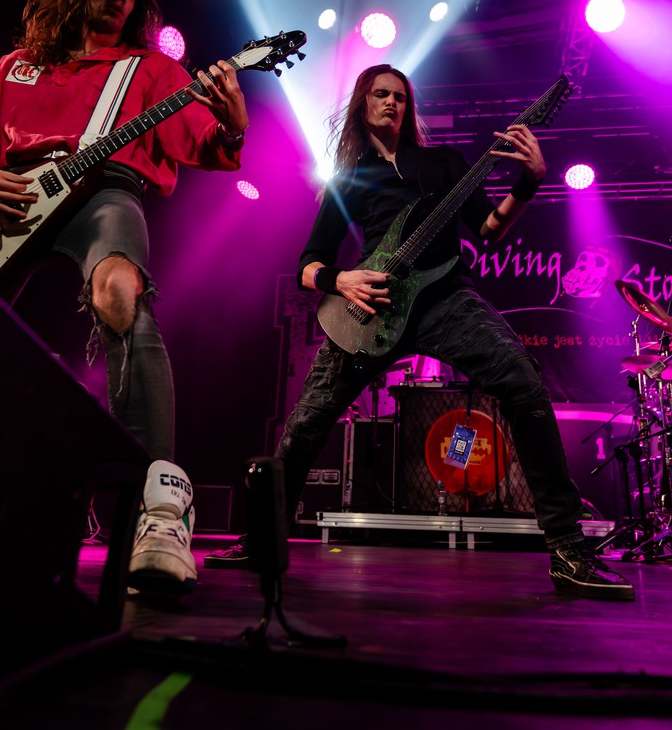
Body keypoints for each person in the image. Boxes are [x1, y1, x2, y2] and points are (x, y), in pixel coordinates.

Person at [203, 64, 633, 599]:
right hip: (371, 307)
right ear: (363, 103)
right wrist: (343, 279)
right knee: (306, 424)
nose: (391, 103)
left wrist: (529, 181)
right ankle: (262, 541)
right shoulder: (349, 178)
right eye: (381, 94)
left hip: (443, 298)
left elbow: (489, 230)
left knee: (524, 383)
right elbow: (307, 266)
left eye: (401, 97)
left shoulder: (444, 162)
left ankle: (568, 551)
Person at [0, 0, 249, 597]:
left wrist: (231, 127)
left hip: (105, 192)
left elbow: (203, 141)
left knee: (121, 292)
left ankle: (159, 508)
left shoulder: (151, 71)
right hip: (10, 206)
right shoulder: (19, 67)